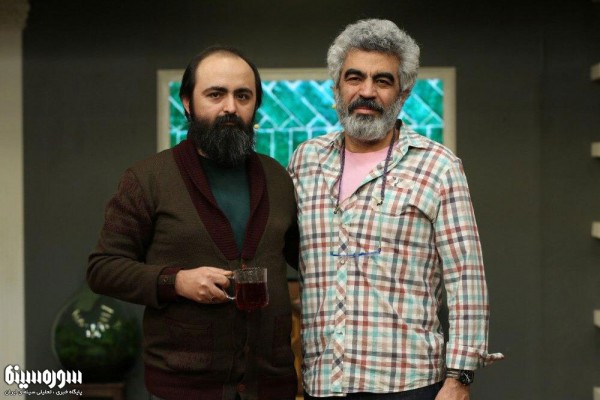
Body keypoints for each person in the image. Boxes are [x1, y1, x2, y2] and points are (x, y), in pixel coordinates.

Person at [288, 19, 503, 400]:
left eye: (383, 81)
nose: (367, 91)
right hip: (324, 381)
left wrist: (459, 377)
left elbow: (466, 277)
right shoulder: (306, 160)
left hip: (409, 383)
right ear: (337, 86)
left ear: (403, 93)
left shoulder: (438, 166)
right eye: (355, 77)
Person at [88, 45, 300, 400]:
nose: (230, 107)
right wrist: (177, 281)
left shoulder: (277, 178)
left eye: (243, 96)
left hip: (271, 385)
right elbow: (103, 269)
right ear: (187, 102)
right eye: (215, 94)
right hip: (183, 388)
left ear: (255, 105)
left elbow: (307, 258)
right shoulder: (148, 178)